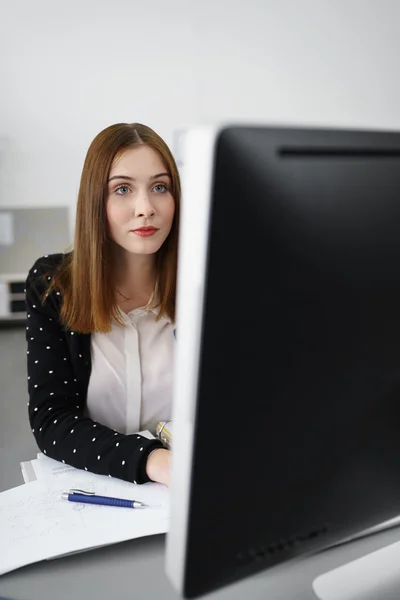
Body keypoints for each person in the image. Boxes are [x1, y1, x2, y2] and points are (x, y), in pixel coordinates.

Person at [25, 123, 180, 486]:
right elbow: (51, 420)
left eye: (160, 187)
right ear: (97, 200)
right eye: (122, 189)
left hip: (197, 486)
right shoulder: (53, 284)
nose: (145, 208)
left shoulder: (206, 280)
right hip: (99, 482)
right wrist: (154, 461)